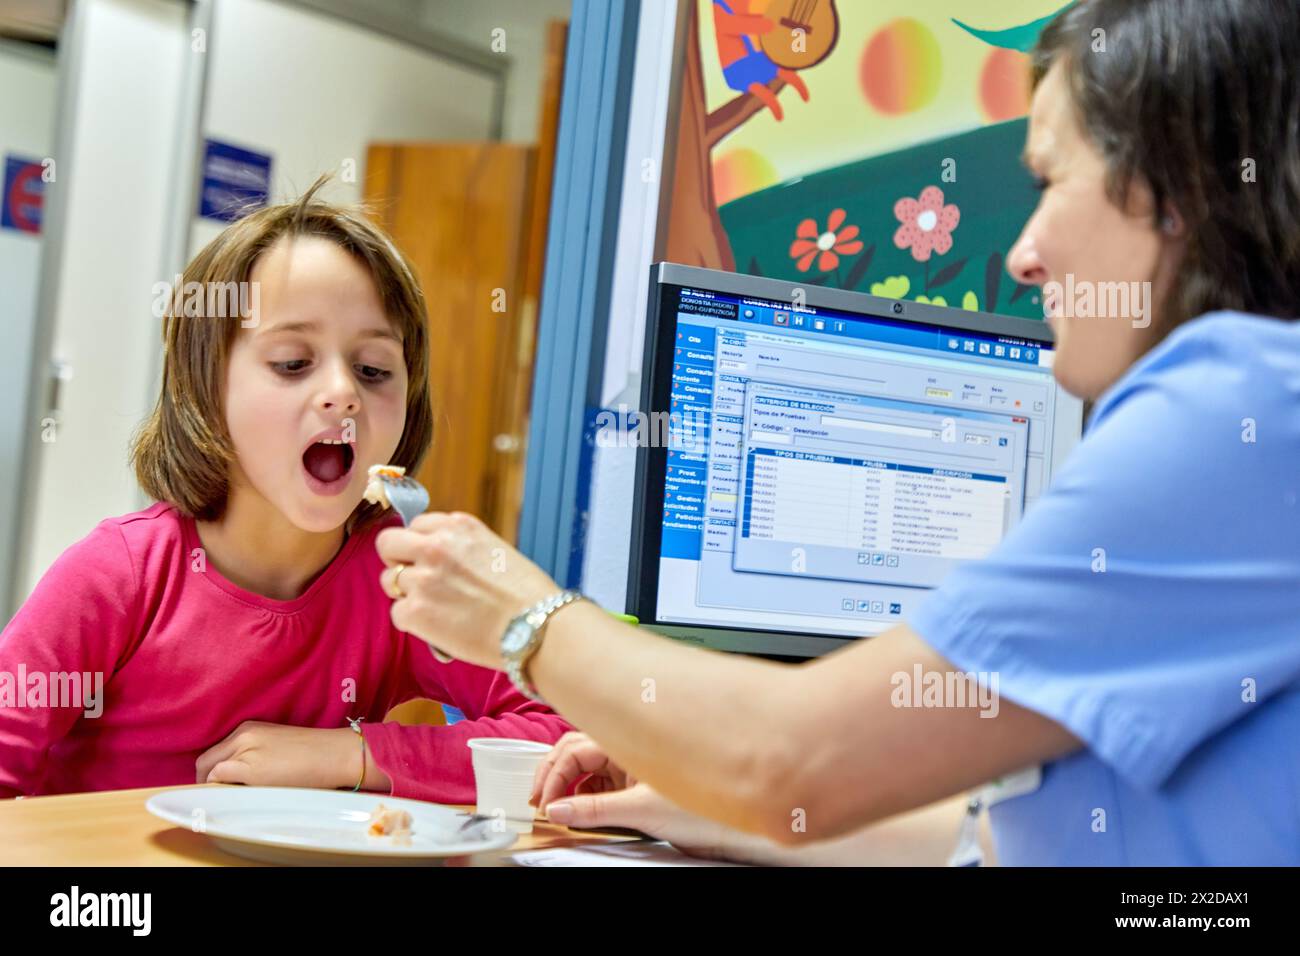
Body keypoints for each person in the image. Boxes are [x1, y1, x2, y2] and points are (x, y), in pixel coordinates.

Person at [374, 0, 1300, 864]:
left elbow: (789, 760)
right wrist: (697, 802)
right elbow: (986, 830)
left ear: (1172, 190)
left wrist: (525, 620)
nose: (1025, 252)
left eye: (1051, 181)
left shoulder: (1228, 409)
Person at [0, 179, 571, 802]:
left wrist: (351, 755)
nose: (343, 392)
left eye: (374, 370)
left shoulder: (403, 582)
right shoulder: (119, 576)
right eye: (292, 362)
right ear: (205, 388)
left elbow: (561, 738)